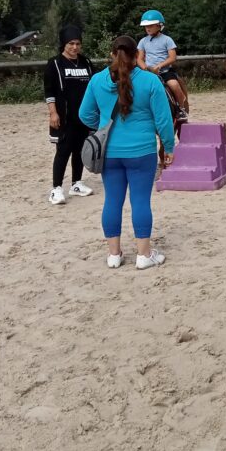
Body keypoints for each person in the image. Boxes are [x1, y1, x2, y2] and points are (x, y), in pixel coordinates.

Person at [79, 36, 175, 269]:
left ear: (112, 54)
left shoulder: (97, 80)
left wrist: (103, 125)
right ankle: (143, 255)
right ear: (136, 56)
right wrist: (169, 146)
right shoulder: (151, 81)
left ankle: (114, 254)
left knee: (112, 200)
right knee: (140, 200)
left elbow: (84, 115)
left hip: (109, 152)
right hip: (141, 151)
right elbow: (163, 120)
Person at [44, 24, 95, 205]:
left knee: (80, 151)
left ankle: (76, 184)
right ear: (64, 44)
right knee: (63, 151)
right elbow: (49, 92)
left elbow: (94, 87)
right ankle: (56, 188)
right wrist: (53, 113)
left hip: (84, 116)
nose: (75, 47)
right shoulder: (55, 64)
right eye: (71, 43)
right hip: (64, 117)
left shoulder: (86, 62)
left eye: (78, 44)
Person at [136, 9, 188, 121]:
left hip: (165, 72)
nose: (148, 28)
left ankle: (181, 109)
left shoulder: (167, 40)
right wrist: (144, 67)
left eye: (151, 25)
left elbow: (172, 57)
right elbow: (139, 58)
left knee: (174, 85)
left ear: (159, 25)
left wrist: (159, 66)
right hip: (148, 73)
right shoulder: (143, 41)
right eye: (146, 26)